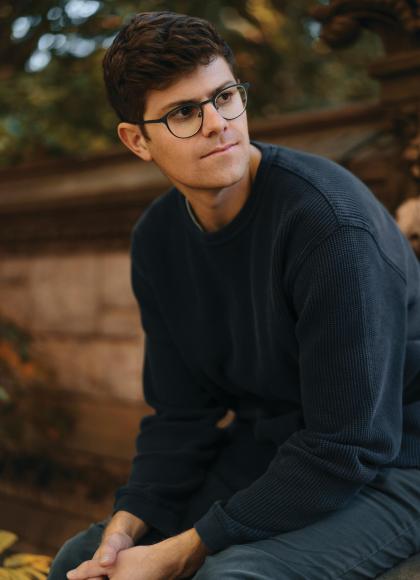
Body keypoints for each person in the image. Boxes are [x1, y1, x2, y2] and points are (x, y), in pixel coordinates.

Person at [48, 10, 420, 580]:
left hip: (396, 460)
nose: (217, 124)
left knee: (231, 575)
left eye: (224, 97)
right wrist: (129, 521)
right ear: (137, 140)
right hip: (275, 453)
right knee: (80, 560)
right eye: (183, 113)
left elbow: (350, 442)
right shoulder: (158, 239)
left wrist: (186, 547)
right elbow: (182, 414)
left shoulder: (329, 225)